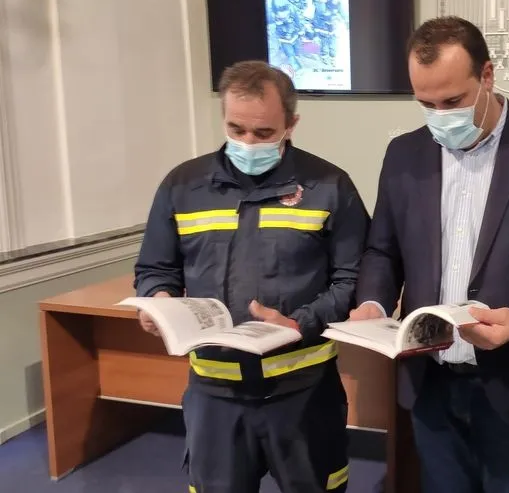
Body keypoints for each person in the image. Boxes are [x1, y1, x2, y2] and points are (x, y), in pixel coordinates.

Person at [349, 16, 509, 493]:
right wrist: (373, 304)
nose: (439, 116)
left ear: (487, 75)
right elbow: (382, 250)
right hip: (430, 382)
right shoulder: (404, 154)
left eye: (453, 101)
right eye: (426, 104)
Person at [134, 60, 368, 493]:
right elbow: (155, 268)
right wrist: (158, 300)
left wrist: (300, 322)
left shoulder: (329, 185)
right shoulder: (182, 185)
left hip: (303, 390)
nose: (247, 142)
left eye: (263, 133)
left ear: (291, 124)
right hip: (214, 394)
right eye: (236, 129)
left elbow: (353, 278)